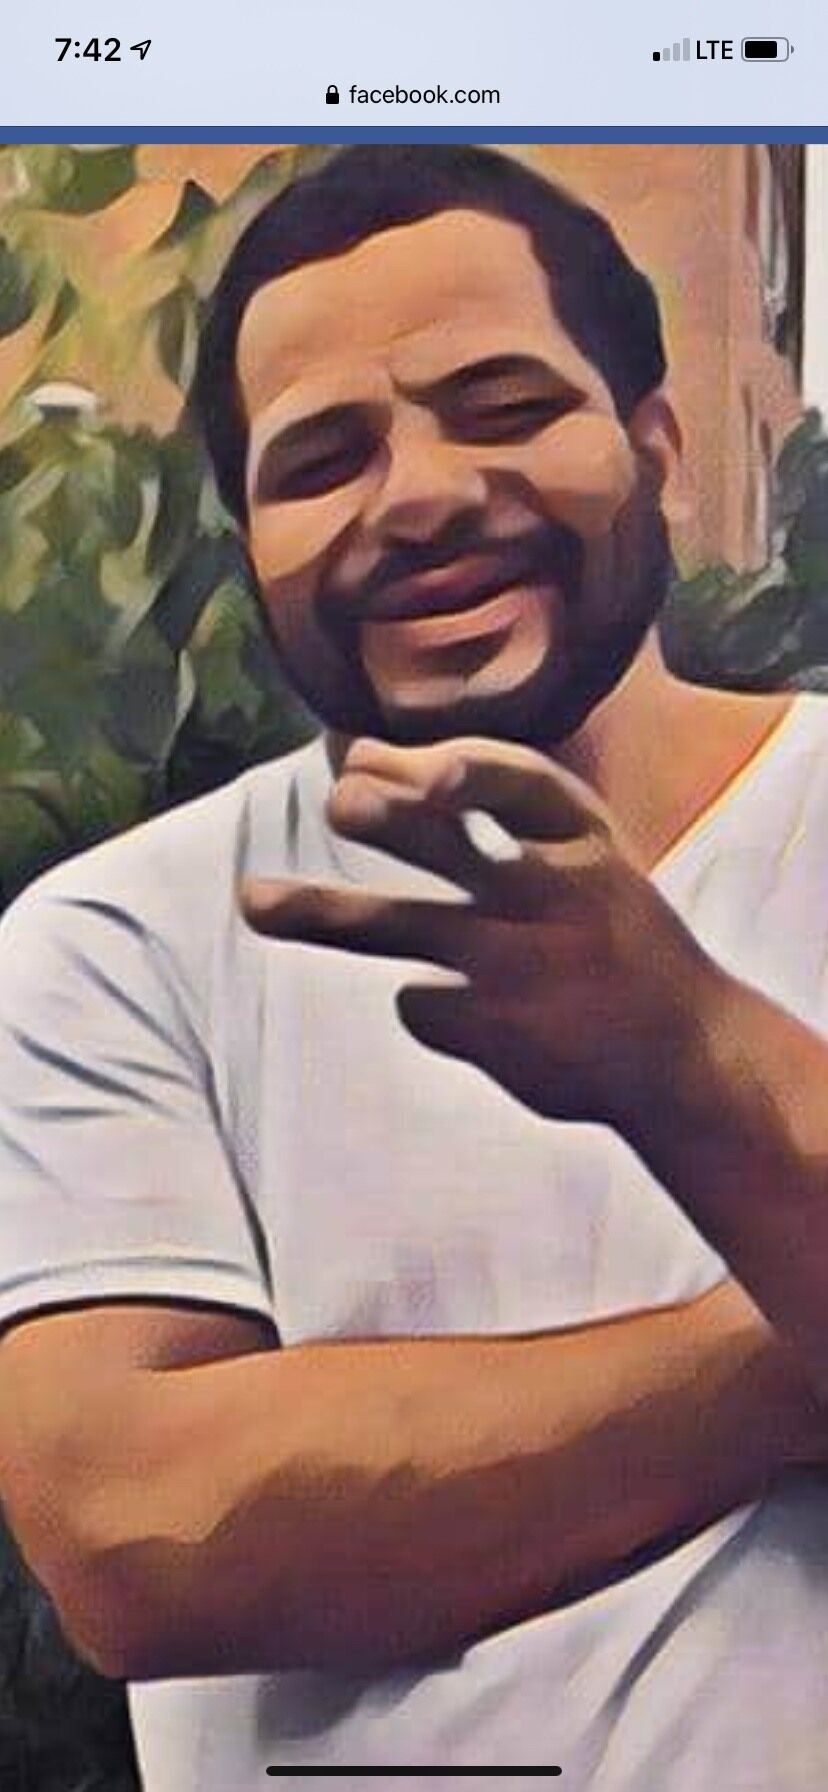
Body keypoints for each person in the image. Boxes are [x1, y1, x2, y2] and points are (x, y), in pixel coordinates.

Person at [1, 144, 828, 1792]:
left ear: (657, 447)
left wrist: (692, 1055)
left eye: (505, 407)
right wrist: (798, 1353)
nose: (425, 496)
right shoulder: (115, 940)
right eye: (323, 458)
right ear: (252, 543)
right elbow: (140, 1534)